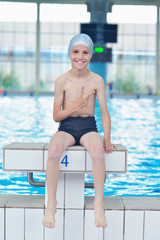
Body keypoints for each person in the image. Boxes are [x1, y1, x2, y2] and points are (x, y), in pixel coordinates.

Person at [42, 33, 115, 229]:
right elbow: (56, 116)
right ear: (69, 54)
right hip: (66, 127)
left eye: (85, 52)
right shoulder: (62, 81)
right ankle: (52, 204)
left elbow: (105, 113)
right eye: (76, 51)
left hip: (88, 127)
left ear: (90, 55)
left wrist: (107, 138)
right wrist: (76, 105)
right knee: (54, 149)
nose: (80, 56)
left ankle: (98, 203)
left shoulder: (96, 80)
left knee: (98, 151)